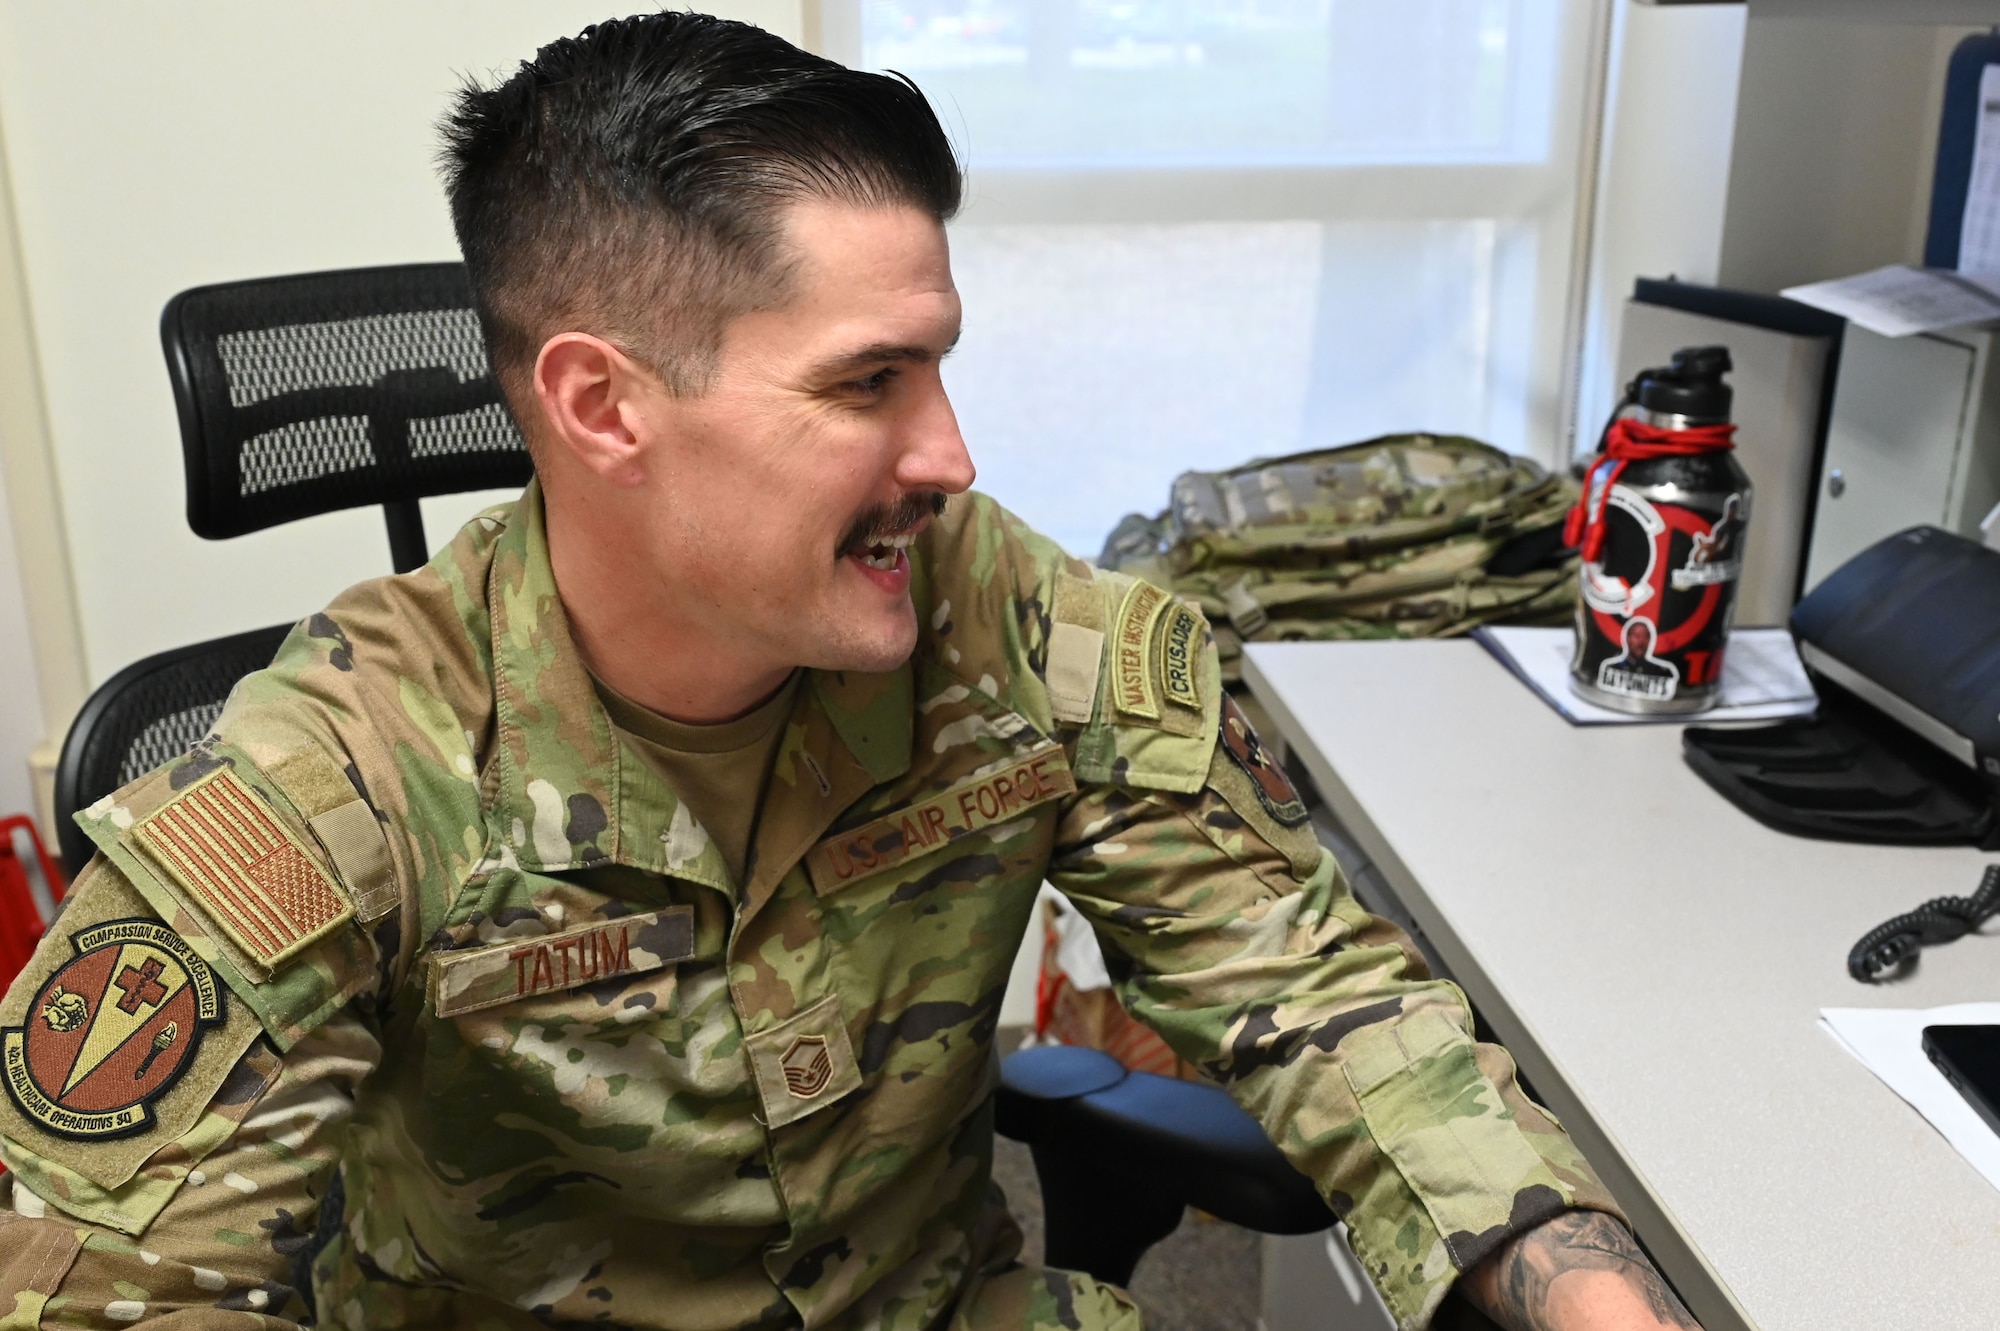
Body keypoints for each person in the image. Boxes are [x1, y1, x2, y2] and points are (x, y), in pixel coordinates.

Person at [0, 14, 1702, 1331]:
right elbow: (96, 1278)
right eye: (865, 382)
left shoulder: (1001, 623)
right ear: (605, 407)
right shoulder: (345, 769)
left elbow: (1326, 994)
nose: (949, 455)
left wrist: (1589, 1291)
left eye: (939, 367)